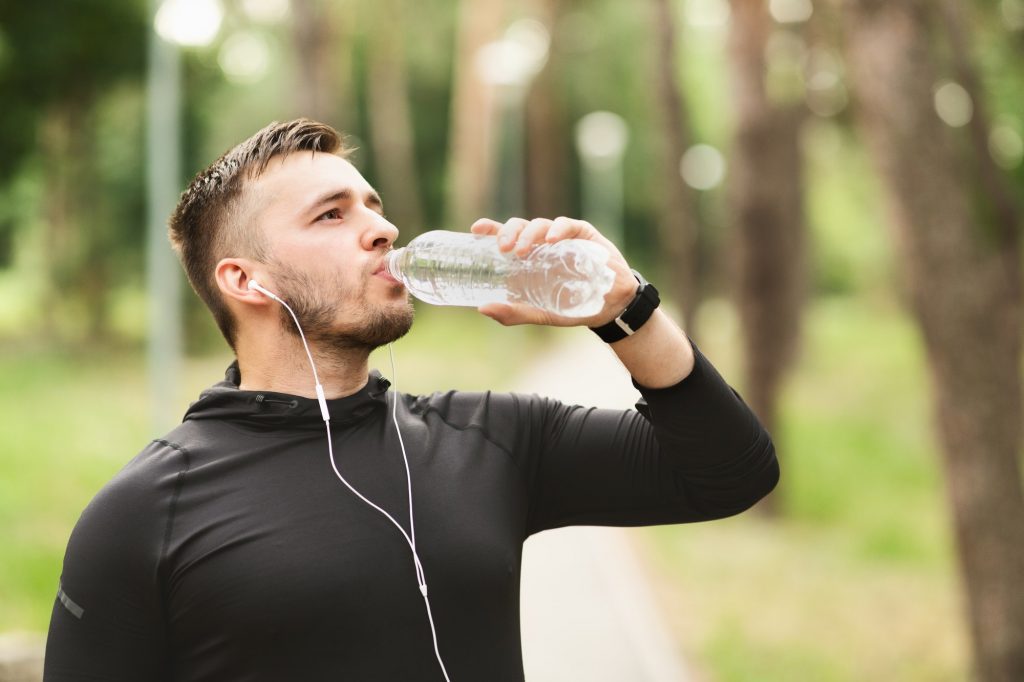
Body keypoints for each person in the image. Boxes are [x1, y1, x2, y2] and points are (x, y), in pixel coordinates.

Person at [44, 119, 778, 681]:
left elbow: (730, 471)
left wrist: (626, 310)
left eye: (374, 206)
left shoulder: (491, 437)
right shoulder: (144, 511)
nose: (383, 229)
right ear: (246, 281)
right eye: (332, 214)